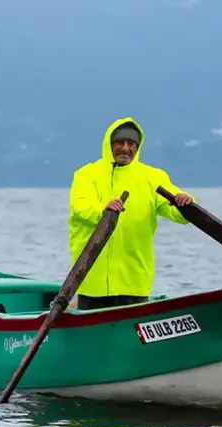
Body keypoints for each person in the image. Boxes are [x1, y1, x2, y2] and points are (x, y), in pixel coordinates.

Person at [67, 117, 194, 311]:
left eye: (131, 144)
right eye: (120, 143)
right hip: (91, 277)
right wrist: (103, 210)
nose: (125, 148)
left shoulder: (153, 177)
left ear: (137, 147)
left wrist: (185, 204)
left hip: (134, 280)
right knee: (92, 328)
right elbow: (81, 207)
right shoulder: (86, 175)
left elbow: (175, 211)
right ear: (109, 144)